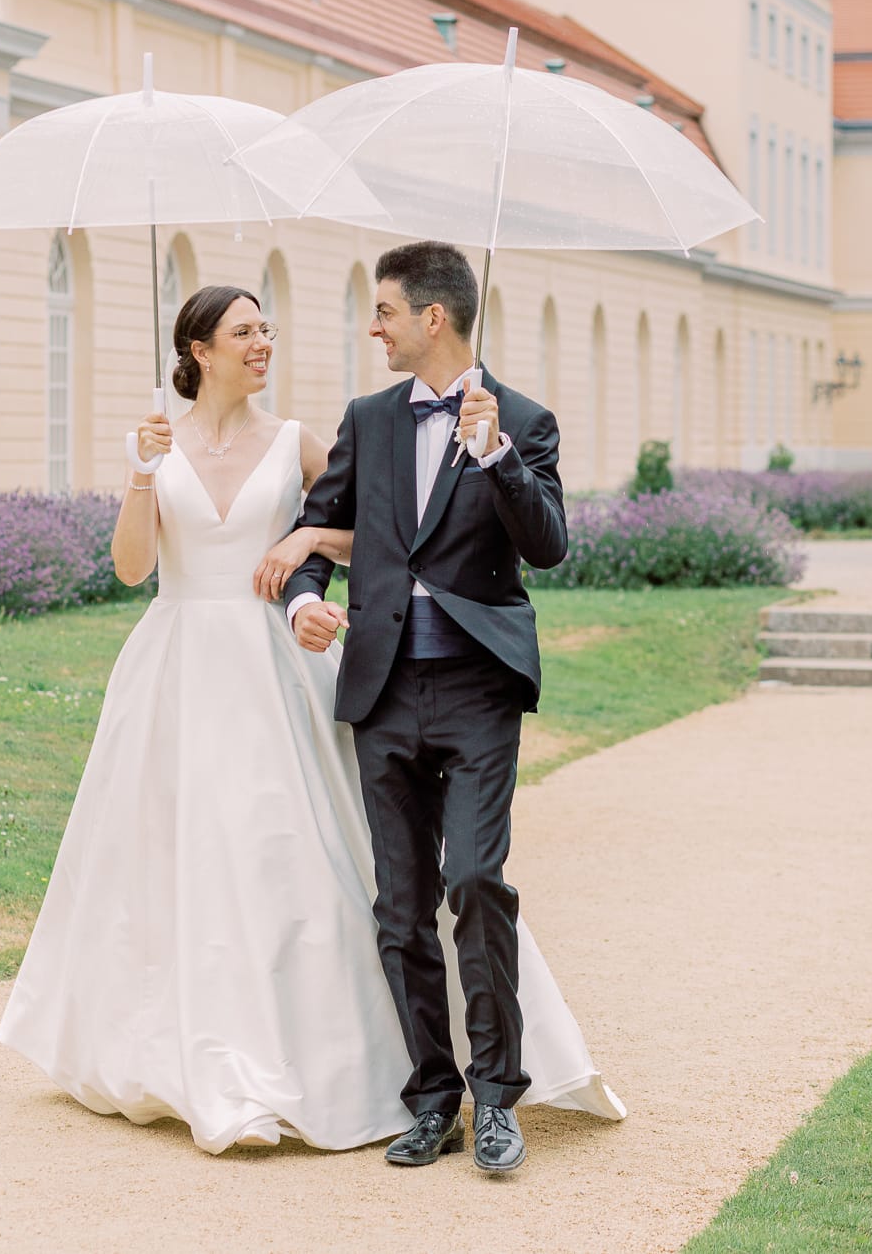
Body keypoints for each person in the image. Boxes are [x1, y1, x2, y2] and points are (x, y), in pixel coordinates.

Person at [0, 281, 624, 1156]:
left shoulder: (299, 439)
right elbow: (133, 567)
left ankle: (451, 1082)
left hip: (275, 669)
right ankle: (203, 1054)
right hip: (177, 664)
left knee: (298, 852)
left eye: (267, 328)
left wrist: (302, 548)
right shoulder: (161, 441)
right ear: (199, 349)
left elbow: (384, 532)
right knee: (183, 859)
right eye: (244, 331)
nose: (263, 342)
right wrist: (142, 473)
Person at [284, 240, 579, 1174]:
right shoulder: (368, 419)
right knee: (401, 907)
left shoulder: (522, 420)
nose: (373, 327)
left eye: (384, 311)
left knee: (474, 881)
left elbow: (549, 547)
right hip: (381, 687)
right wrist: (303, 601)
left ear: (433, 318)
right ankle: (431, 1095)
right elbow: (318, 532)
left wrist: (493, 455)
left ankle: (498, 1098)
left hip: (478, 688)